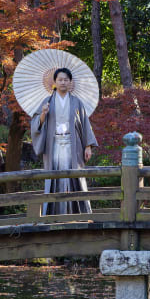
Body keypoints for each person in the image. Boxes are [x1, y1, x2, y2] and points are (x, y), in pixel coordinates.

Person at [30, 67, 98, 215]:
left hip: (73, 145)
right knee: (55, 176)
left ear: (70, 82)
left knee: (75, 177)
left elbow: (85, 124)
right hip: (54, 145)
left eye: (66, 80)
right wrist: (43, 114)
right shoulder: (46, 102)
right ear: (54, 82)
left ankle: (79, 213)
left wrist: (88, 146)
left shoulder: (76, 102)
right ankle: (54, 213)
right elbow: (36, 124)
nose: (63, 82)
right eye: (60, 79)